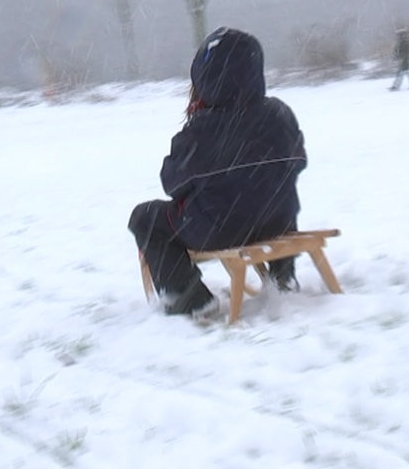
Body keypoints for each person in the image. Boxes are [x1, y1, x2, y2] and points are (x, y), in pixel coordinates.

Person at [128, 27, 308, 318]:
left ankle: (188, 295)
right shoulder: (279, 113)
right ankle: (283, 275)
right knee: (275, 193)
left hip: (219, 229)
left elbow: (172, 183)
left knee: (145, 218)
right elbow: (298, 162)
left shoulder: (201, 130)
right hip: (278, 222)